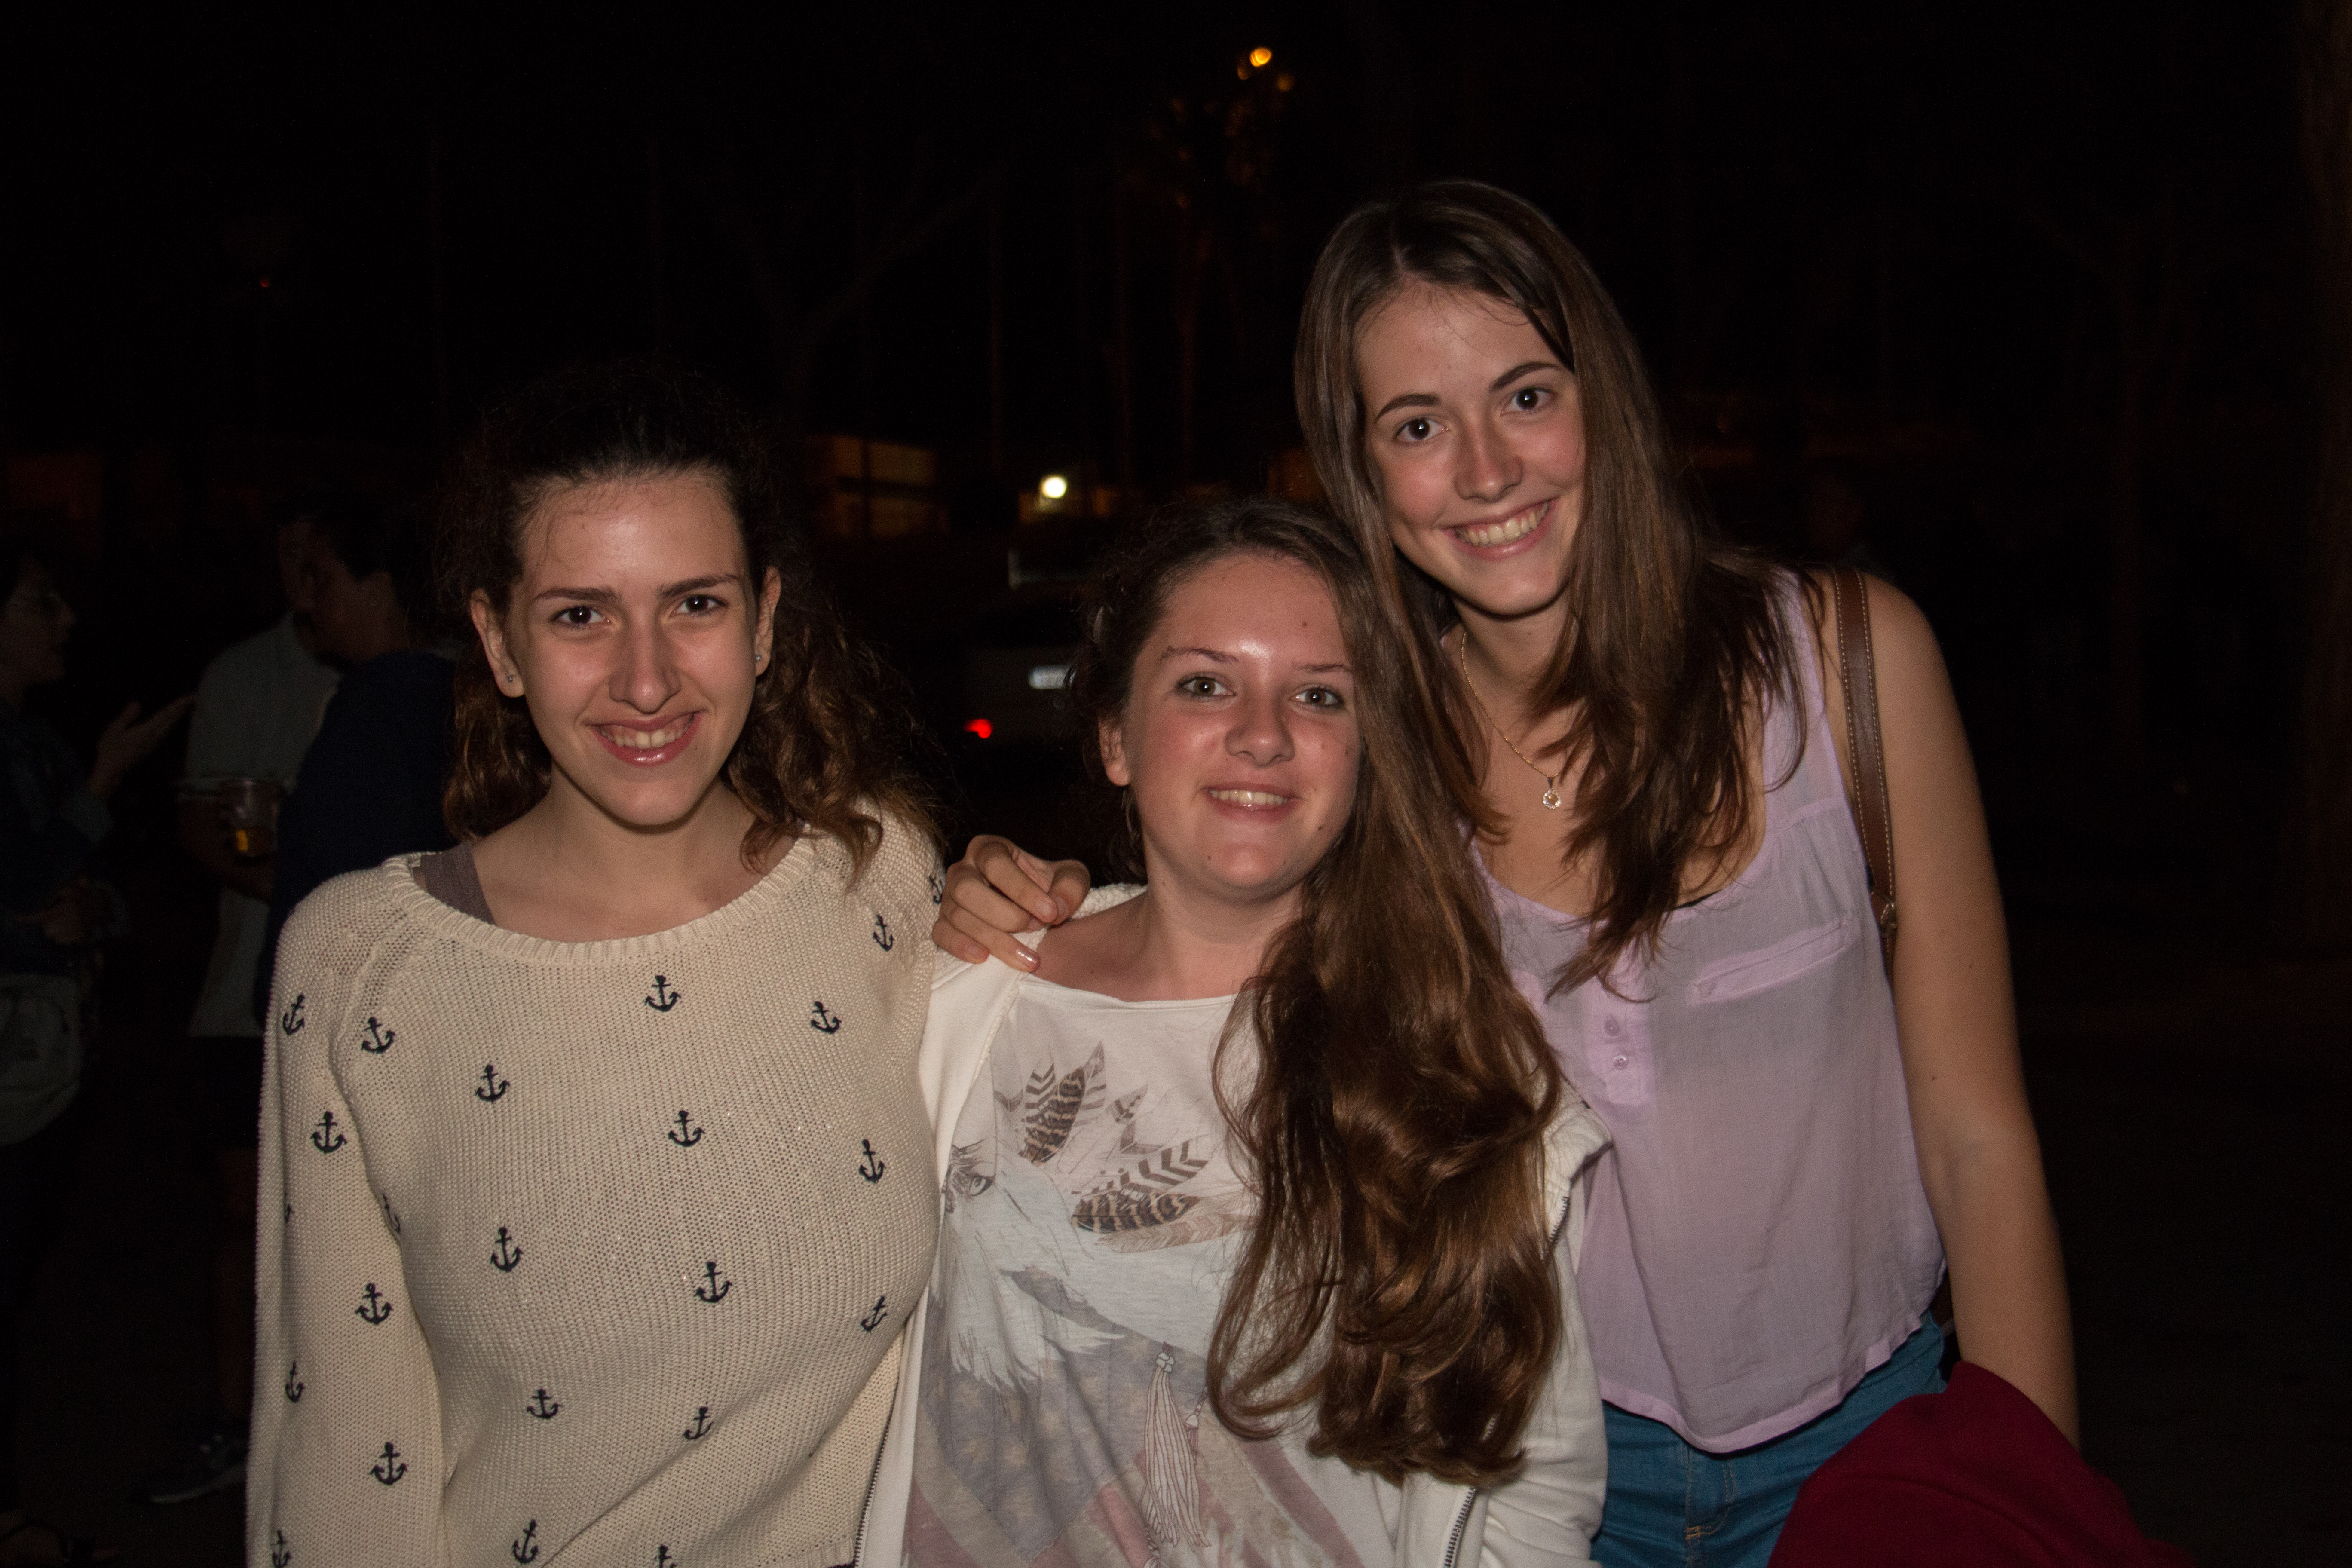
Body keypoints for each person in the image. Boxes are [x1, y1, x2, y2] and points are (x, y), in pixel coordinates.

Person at [935, 182, 2075, 1566]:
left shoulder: (1846, 664)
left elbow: (1979, 1138)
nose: (1485, 470)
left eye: (1526, 396)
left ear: (1606, 400)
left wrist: (2031, 1497)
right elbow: (1212, 944)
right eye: (1418, 426)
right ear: (1362, 469)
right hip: (1535, 1471)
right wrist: (1030, 900)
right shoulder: (1380, 751)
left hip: (1872, 1445)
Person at [246, 364, 941, 1568]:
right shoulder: (361, 970)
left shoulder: (879, 886)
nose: (646, 679)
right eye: (580, 615)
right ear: (499, 642)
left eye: (695, 604)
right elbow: (341, 1452)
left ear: (765, 622)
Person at [866, 497, 1611, 1566]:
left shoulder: (1455, 1068)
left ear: (1366, 752)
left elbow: (1533, 1497)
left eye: (1319, 695)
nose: (1264, 735)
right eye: (1205, 685)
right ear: (1116, 736)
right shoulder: (962, 997)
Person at [2, 527, 190, 1566]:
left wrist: (84, 912)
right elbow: (30, 887)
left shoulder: (35, 743)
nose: (65, 620)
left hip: (50, 1058)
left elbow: (99, 898)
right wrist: (106, 780)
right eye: (39, 602)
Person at [145, 508, 340, 1508]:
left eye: (322, 557)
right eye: (290, 554)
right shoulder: (242, 675)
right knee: (243, 1210)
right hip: (244, 998)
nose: (305, 574)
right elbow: (200, 824)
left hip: (361, 1007)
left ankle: (340, 1425)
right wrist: (307, 892)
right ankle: (236, 1416)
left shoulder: (401, 674)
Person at [254, 493, 458, 1022]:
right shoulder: (444, 697)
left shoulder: (383, 711)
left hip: (354, 1016)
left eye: (322, 579)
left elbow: (356, 879)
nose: (306, 600)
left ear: (376, 590)